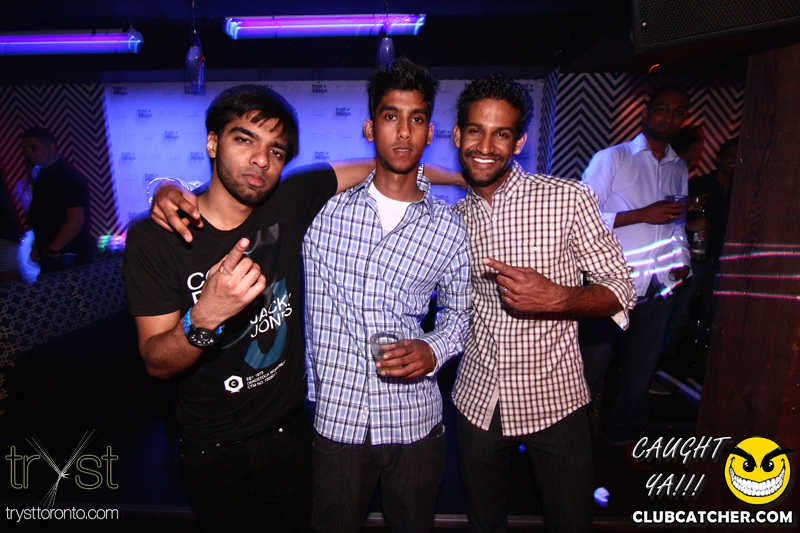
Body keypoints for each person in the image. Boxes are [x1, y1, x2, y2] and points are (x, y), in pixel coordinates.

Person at [125, 84, 379, 532]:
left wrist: (462, 180)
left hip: (290, 434)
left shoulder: (289, 201)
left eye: (276, 150)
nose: (261, 159)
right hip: (213, 448)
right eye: (245, 139)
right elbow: (156, 363)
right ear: (212, 142)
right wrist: (206, 314)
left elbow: (382, 166)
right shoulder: (157, 238)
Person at [450, 74, 635, 532]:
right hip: (478, 399)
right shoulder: (452, 219)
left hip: (554, 398)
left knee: (571, 521)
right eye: (475, 131)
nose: (485, 146)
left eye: (501, 134)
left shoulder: (567, 199)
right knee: (483, 522)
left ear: (519, 143)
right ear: (457, 136)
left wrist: (558, 298)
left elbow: (621, 289)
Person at [303, 58, 471, 532]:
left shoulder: (448, 228)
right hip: (337, 419)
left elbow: (461, 314)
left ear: (430, 132)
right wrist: (169, 189)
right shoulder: (322, 209)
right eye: (390, 116)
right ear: (369, 126)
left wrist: (433, 348)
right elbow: (246, 199)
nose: (403, 132)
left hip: (414, 421)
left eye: (416, 119)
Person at [580, 83, 691, 450]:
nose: (669, 117)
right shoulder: (613, 157)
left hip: (659, 282)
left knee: (641, 368)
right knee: (592, 365)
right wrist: (641, 214)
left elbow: (677, 222)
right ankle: (565, 438)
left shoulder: (679, 166)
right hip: (612, 280)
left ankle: (624, 436)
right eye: (663, 108)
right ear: (647, 111)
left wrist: (682, 262)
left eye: (678, 111)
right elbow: (581, 216)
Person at [19, 127, 93, 273]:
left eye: (33, 147)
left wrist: (52, 250)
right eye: (25, 148)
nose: (27, 152)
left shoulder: (66, 176)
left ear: (51, 147)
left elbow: (76, 219)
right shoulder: (45, 174)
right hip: (55, 253)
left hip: (67, 256)